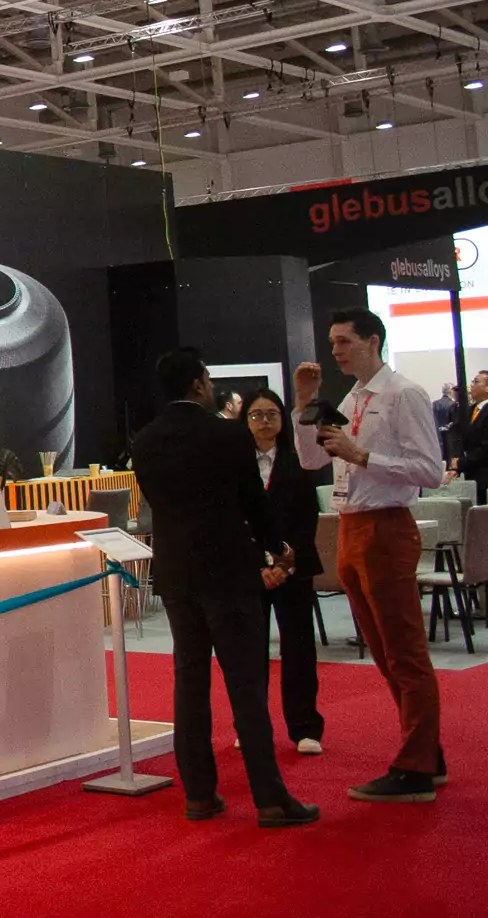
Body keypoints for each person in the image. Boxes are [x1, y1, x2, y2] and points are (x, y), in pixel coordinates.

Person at [131, 347, 318, 828]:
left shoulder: (144, 441)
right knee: (245, 684)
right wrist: (278, 548)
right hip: (229, 570)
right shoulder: (228, 435)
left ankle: (198, 794)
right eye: (209, 380)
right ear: (197, 384)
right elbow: (253, 502)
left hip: (176, 572)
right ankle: (270, 798)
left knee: (189, 681)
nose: (212, 387)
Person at [294, 308, 447, 803]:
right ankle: (425, 752)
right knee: (383, 651)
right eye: (333, 342)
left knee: (403, 650)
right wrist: (304, 404)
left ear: (372, 340)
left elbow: (430, 471)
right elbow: (311, 459)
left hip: (386, 526)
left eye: (344, 341)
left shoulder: (404, 394)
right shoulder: (352, 398)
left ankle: (417, 767)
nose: (334, 351)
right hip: (352, 526)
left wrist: (361, 455)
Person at [242, 389, 326, 755]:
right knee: (249, 651)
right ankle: (251, 727)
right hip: (249, 570)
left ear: (282, 419)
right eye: (256, 414)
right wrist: (260, 565)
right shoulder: (235, 463)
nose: (264, 421)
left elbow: (308, 518)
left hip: (293, 567)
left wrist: (284, 563)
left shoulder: (300, 460)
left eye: (271, 414)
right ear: (245, 420)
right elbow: (234, 518)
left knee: (299, 648)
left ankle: (305, 727)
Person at [450, 369, 488, 503]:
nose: (471, 385)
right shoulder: (470, 410)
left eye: (476, 382)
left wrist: (463, 462)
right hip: (471, 476)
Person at [434, 383, 459, 459]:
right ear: (451, 391)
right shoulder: (453, 405)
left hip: (436, 437)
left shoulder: (434, 404)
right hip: (450, 439)